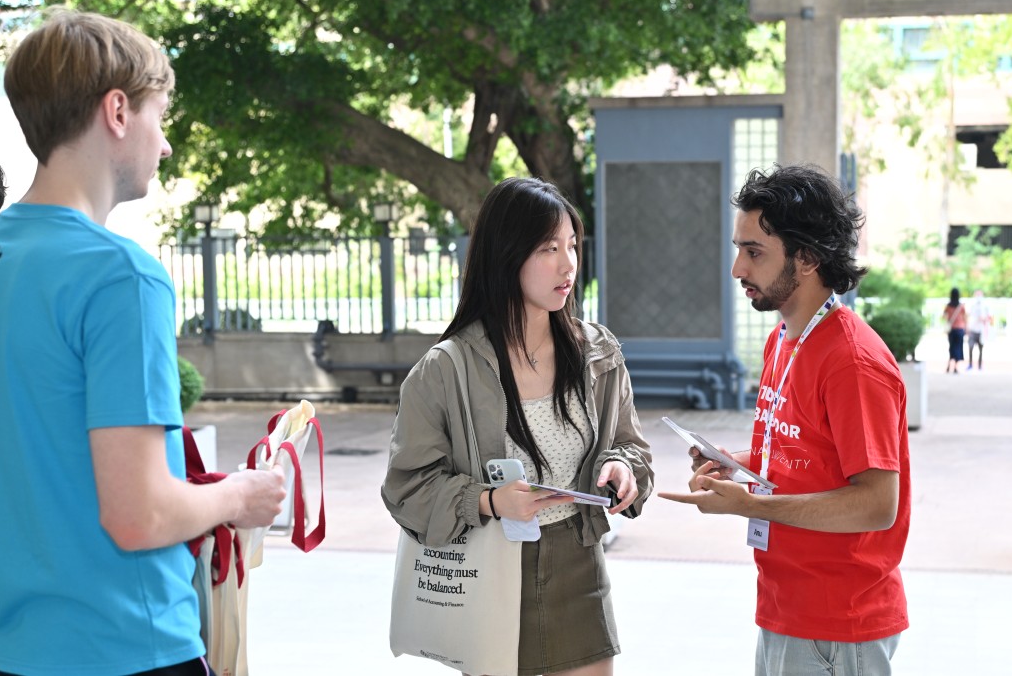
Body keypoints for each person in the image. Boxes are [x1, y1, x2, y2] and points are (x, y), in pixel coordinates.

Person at [0, 9, 286, 676]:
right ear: (118, 111)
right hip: (128, 646)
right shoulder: (120, 275)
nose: (166, 145)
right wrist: (241, 494)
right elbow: (140, 513)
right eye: (162, 116)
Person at [382, 177, 654, 676]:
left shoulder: (597, 352)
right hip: (493, 572)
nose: (568, 264)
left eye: (572, 245)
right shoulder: (446, 368)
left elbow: (629, 445)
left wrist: (622, 468)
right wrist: (488, 500)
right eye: (549, 248)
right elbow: (406, 487)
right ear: (507, 255)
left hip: (579, 564)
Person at [659, 164, 910, 676]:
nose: (736, 268)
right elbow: (808, 454)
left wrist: (750, 506)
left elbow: (878, 503)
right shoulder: (783, 341)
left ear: (809, 257)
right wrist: (738, 463)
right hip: (787, 608)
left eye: (754, 252)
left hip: (839, 623)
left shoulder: (853, 362)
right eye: (739, 249)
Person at [943, 287, 968, 374]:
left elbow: (944, 316)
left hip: (951, 330)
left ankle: (949, 365)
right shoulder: (961, 306)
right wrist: (966, 329)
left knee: (951, 347)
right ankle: (955, 367)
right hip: (960, 329)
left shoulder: (948, 306)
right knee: (958, 347)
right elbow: (965, 318)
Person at [967, 288, 992, 371]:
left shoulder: (986, 305)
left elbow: (990, 317)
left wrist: (984, 319)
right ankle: (970, 364)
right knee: (970, 347)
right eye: (977, 294)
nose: (978, 296)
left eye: (979, 294)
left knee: (981, 349)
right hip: (972, 329)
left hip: (981, 330)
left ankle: (980, 365)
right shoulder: (971, 304)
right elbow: (967, 315)